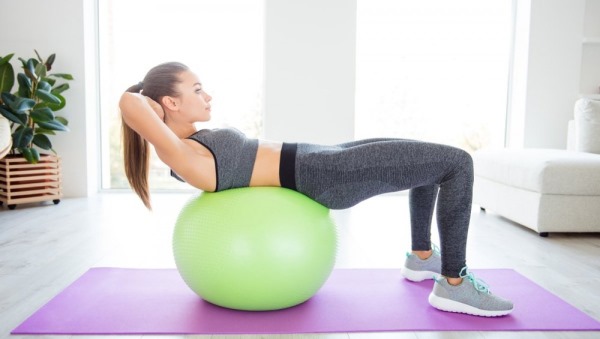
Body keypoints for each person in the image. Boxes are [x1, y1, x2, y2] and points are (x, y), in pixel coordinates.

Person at [120, 61, 514, 317]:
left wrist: (157, 108)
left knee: (430, 158)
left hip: (322, 157)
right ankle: (454, 283)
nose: (208, 96)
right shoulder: (181, 155)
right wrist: (147, 103)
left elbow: (142, 107)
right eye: (197, 89)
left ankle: (422, 257)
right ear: (170, 102)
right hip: (324, 174)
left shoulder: (191, 142)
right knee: (457, 162)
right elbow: (129, 104)